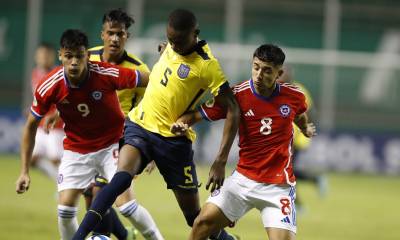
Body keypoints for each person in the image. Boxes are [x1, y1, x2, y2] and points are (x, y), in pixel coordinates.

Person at [72, 9, 240, 240]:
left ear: (195, 34)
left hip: (172, 142)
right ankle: (78, 237)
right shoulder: (172, 45)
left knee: (193, 217)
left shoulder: (207, 66)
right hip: (139, 124)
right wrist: (167, 48)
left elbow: (231, 108)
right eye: (171, 40)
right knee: (120, 179)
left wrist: (220, 160)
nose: (174, 45)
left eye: (179, 41)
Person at [15, 29, 151, 240]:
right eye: (69, 56)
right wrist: (24, 171)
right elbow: (31, 124)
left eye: (79, 56)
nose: (74, 62)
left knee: (123, 204)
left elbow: (151, 81)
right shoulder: (49, 83)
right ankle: (121, 236)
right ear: (61, 55)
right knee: (70, 209)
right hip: (78, 147)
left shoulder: (106, 72)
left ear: (87, 55)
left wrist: (149, 128)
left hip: (112, 143)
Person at [171, 44, 316, 240]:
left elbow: (299, 114)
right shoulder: (237, 95)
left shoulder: (294, 96)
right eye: (256, 67)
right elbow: (197, 114)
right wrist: (181, 124)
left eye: (267, 71)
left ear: (278, 73)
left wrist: (304, 127)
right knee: (202, 223)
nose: (258, 74)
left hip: (278, 187)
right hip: (243, 180)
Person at [84, 9, 163, 240]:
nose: (115, 38)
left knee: (109, 197)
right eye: (111, 33)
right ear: (103, 35)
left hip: (124, 140)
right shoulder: (88, 58)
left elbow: (158, 105)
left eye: (120, 34)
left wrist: (154, 149)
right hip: (91, 140)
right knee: (91, 196)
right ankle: (123, 235)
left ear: (127, 36)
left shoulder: (139, 70)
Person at [278, 65, 327, 211]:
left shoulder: (299, 91)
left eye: (284, 73)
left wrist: (304, 129)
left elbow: (311, 113)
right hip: (282, 138)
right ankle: (314, 180)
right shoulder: (276, 90)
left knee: (286, 170)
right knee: (287, 170)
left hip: (296, 139)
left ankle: (297, 204)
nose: (281, 76)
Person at [28, 43, 63, 180]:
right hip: (40, 125)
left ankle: (65, 187)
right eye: (41, 55)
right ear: (36, 56)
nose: (43, 58)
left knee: (56, 159)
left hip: (56, 126)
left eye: (46, 55)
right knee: (32, 159)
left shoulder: (59, 74)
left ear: (52, 57)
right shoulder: (35, 73)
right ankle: (59, 182)